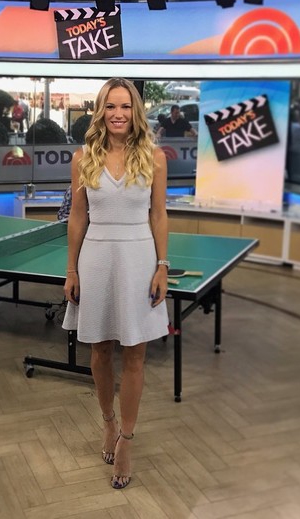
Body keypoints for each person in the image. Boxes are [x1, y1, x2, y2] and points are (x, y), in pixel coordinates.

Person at [62, 78, 169, 490]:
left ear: (135, 111)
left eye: (125, 106)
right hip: (96, 257)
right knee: (100, 350)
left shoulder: (154, 157)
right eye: (110, 106)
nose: (118, 114)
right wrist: (71, 270)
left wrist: (162, 266)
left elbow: (158, 215)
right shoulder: (82, 157)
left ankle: (126, 438)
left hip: (139, 258)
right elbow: (77, 217)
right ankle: (107, 422)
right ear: (100, 111)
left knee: (136, 355)